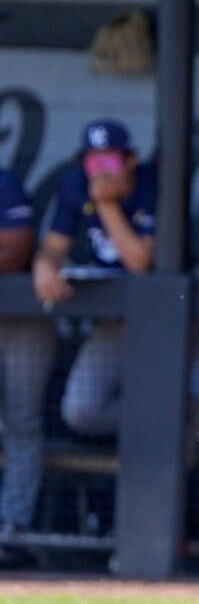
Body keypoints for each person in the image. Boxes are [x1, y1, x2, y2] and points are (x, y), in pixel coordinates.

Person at [33, 118, 156, 438]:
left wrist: (106, 205)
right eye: (92, 160)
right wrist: (45, 265)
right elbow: (54, 247)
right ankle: (181, 419)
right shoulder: (76, 183)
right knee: (81, 410)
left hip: (163, 318)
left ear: (130, 160)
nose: (99, 170)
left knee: (157, 399)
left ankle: (173, 424)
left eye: (109, 160)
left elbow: (140, 261)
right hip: (114, 320)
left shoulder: (152, 185)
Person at [0, 167, 54, 567]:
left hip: (20, 318)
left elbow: (14, 250)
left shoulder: (4, 181)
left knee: (21, 422)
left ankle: (12, 529)